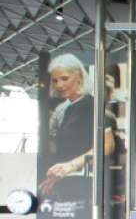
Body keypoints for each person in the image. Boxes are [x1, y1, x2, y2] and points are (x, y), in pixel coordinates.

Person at [40, 54, 115, 199]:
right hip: (68, 184)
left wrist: (72, 165)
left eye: (64, 78)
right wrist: (57, 175)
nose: (59, 85)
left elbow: (107, 145)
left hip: (87, 186)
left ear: (79, 76)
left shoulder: (92, 105)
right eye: (55, 80)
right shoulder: (65, 108)